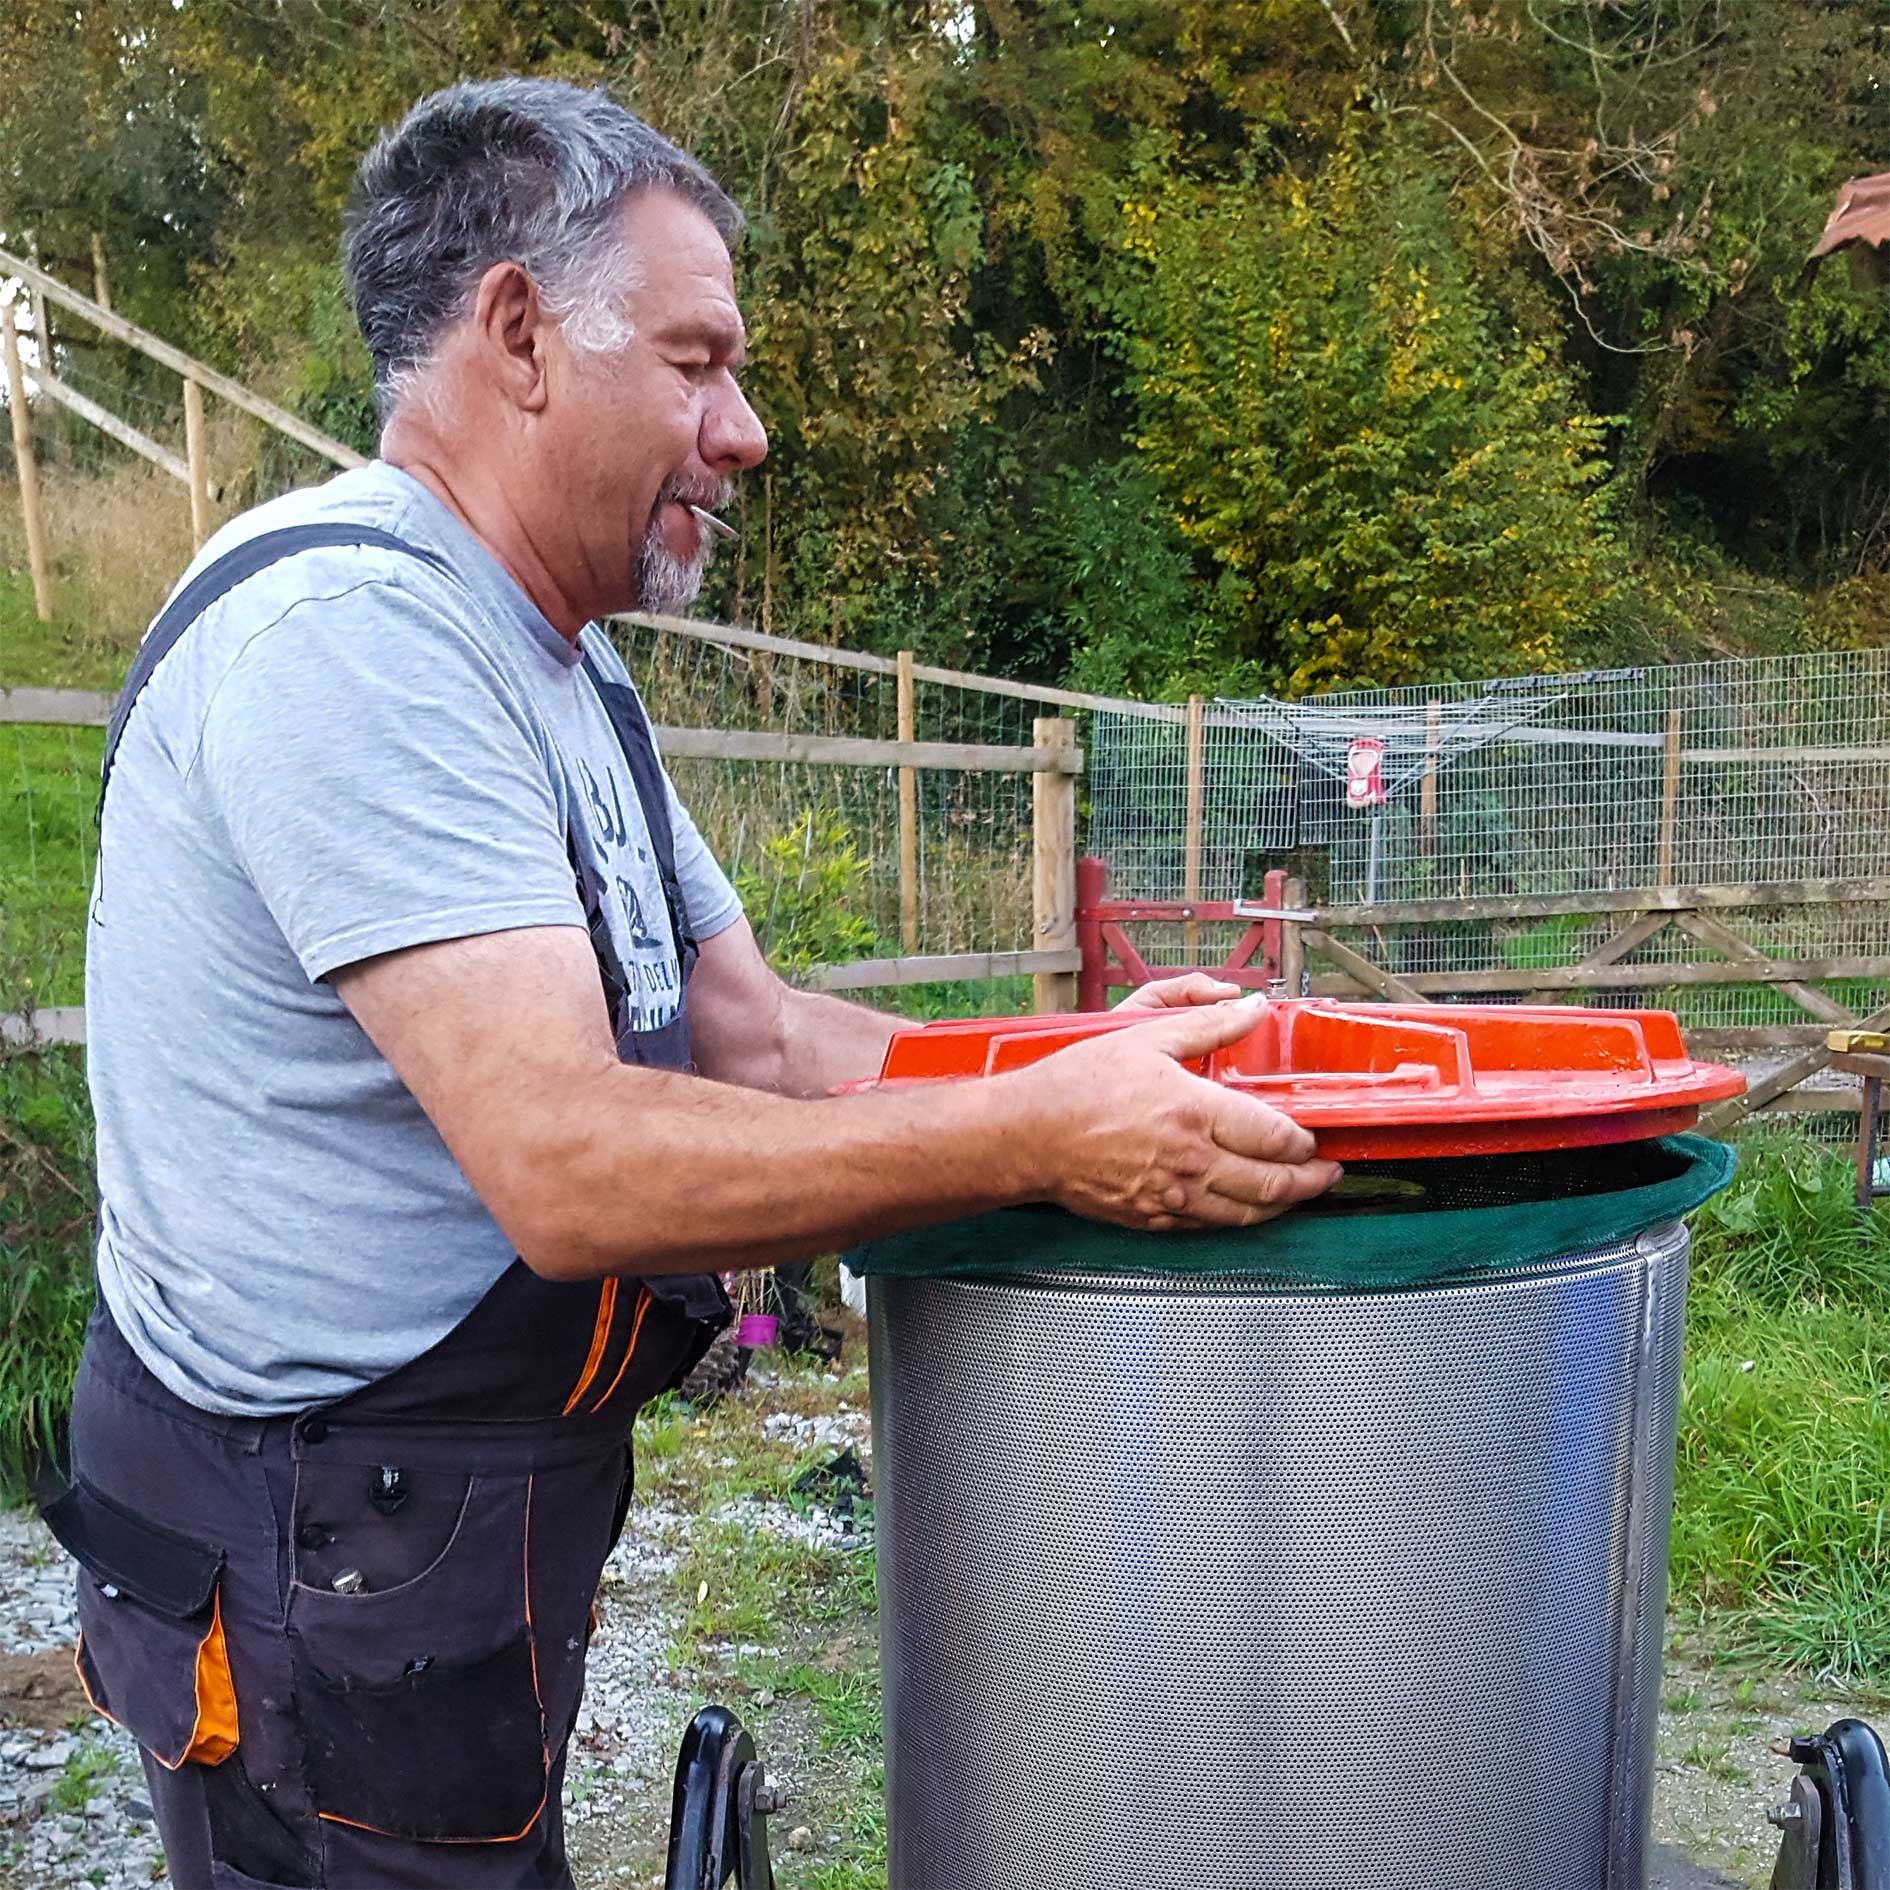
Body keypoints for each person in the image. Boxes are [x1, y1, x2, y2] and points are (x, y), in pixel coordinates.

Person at [51, 76, 1340, 1889]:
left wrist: (1065, 1049)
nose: (742, 430)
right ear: (516, 334)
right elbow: (569, 1163)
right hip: (309, 1542)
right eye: (696, 361)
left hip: (436, 1518)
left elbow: (754, 1035)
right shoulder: (353, 644)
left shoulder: (556, 659)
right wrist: (1041, 1136)